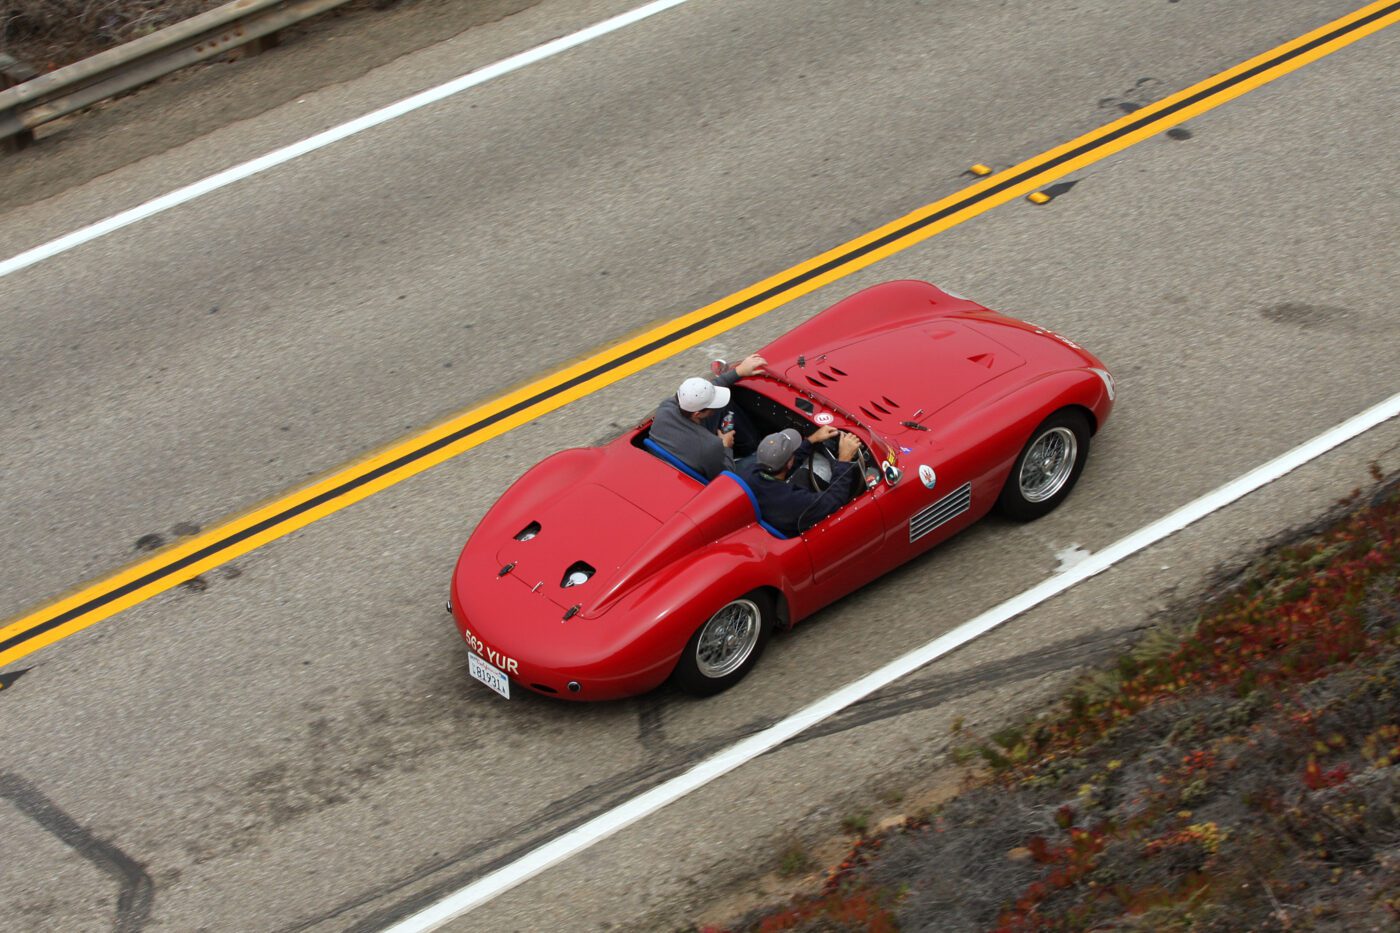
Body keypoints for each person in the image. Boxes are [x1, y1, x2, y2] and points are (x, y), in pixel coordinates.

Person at [650, 354, 767, 481]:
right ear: (697, 414)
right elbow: (726, 478)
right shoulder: (711, 446)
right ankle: (755, 450)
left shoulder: (665, 408)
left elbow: (713, 388)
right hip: (706, 473)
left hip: (679, 455)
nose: (716, 408)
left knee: (725, 406)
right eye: (712, 406)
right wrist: (726, 447)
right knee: (763, 458)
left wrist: (739, 371)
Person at [737, 426, 863, 536]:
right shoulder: (794, 502)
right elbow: (835, 500)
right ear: (790, 463)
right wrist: (844, 460)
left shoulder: (747, 473)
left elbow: (784, 466)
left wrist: (811, 441)